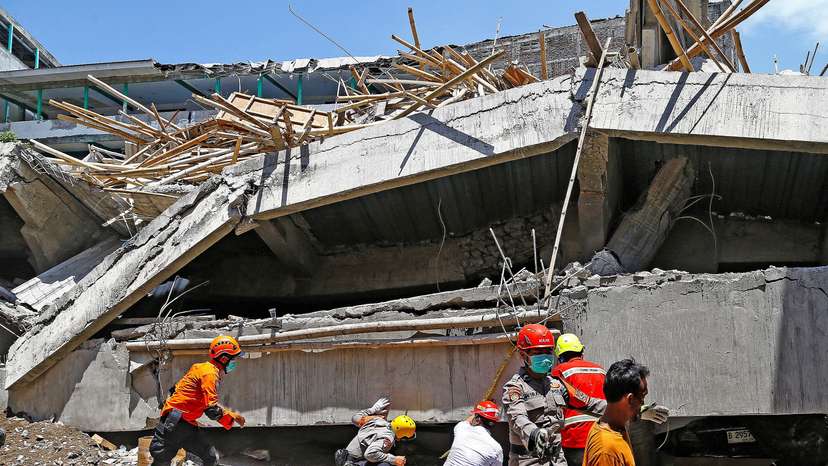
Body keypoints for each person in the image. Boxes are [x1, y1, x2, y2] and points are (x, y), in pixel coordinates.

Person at [502, 324, 607, 466]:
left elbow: (589, 403)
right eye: (539, 352)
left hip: (557, 460)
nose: (545, 356)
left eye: (548, 351)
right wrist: (535, 434)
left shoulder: (558, 385)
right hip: (528, 460)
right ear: (523, 355)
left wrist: (627, 408)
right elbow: (518, 419)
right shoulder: (515, 387)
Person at [150, 335, 246, 466]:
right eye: (233, 359)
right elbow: (212, 410)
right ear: (224, 358)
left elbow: (175, 390)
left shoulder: (201, 367)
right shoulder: (209, 374)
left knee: (209, 456)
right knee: (162, 457)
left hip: (184, 422)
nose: (234, 362)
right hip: (176, 423)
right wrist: (231, 418)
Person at [583, 359, 659, 466]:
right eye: (642, 397)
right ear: (630, 399)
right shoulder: (606, 450)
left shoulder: (616, 427)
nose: (642, 403)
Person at [551, 333, 607, 466]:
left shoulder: (558, 371)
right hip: (602, 435)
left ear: (560, 356)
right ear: (581, 351)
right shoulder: (600, 370)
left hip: (574, 439)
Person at [335, 397, 416, 466]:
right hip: (352, 463)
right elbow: (370, 454)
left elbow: (355, 418)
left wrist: (372, 410)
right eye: (404, 437)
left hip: (343, 457)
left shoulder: (377, 419)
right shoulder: (388, 438)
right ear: (401, 434)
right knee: (386, 464)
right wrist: (394, 459)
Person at [443, 400, 504, 466]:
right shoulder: (496, 448)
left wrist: (482, 409)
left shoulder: (461, 429)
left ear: (477, 419)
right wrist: (490, 410)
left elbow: (469, 420)